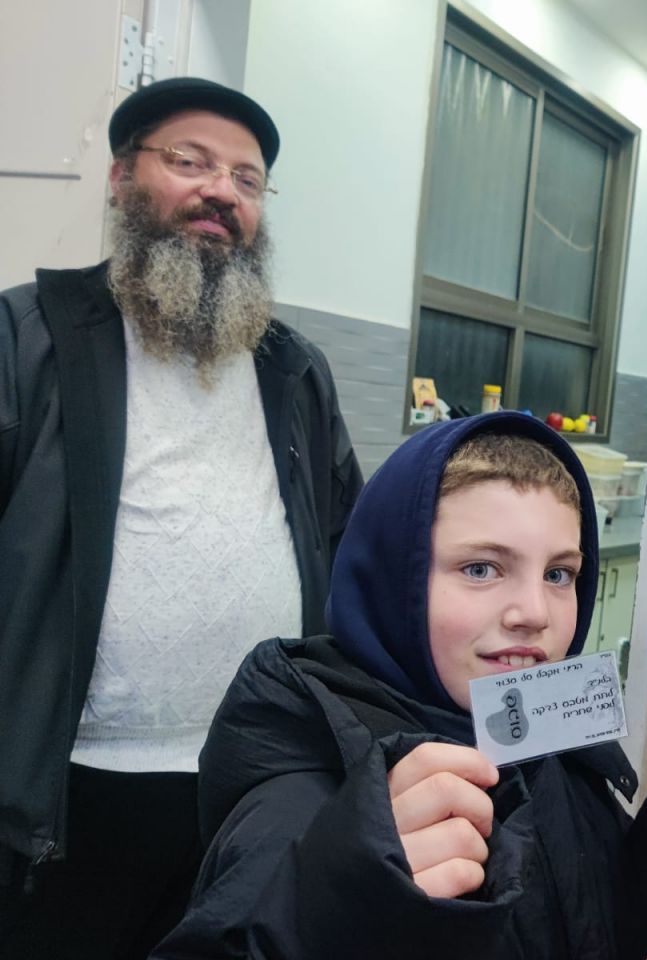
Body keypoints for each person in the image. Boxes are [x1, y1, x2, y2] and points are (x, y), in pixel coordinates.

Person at [153, 411, 647, 959]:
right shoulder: (306, 787)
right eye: (482, 568)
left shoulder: (543, 737)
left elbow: (600, 919)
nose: (535, 613)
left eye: (559, 574)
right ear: (394, 581)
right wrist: (338, 899)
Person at [0, 77, 362, 958]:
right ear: (122, 177)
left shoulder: (292, 368)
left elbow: (347, 541)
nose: (220, 192)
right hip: (69, 792)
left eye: (246, 178)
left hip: (253, 781)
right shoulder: (30, 336)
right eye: (190, 161)